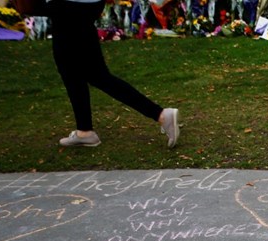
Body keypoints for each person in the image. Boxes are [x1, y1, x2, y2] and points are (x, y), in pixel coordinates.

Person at [48, 0, 179, 147]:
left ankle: (160, 114)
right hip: (86, 5)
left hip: (67, 6)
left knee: (77, 71)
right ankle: (84, 130)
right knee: (85, 73)